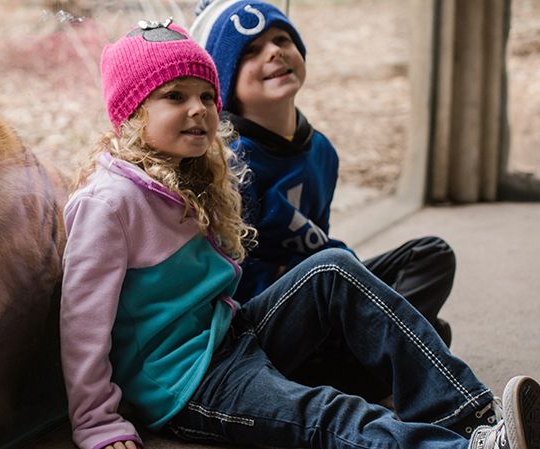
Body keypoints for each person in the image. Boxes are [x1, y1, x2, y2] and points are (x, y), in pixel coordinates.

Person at [60, 18, 540, 449]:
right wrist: (98, 422)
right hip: (185, 384)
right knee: (327, 413)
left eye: (207, 96)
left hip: (230, 334)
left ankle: (474, 416)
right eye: (175, 96)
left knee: (334, 269)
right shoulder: (109, 202)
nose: (200, 109)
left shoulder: (192, 177)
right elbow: (81, 322)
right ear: (132, 113)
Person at [189, 0, 455, 399]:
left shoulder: (322, 151)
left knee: (432, 254)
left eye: (282, 39)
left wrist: (353, 286)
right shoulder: (230, 163)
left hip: (329, 287)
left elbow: (318, 239)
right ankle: (367, 360)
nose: (274, 52)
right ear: (224, 82)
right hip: (270, 315)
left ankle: (366, 357)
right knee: (427, 335)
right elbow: (228, 276)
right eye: (251, 51)